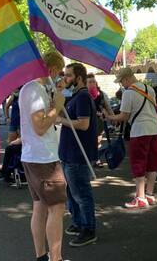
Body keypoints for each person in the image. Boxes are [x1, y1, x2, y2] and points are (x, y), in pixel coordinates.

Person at [19, 51, 67, 261]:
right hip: (43, 158)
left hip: (33, 156)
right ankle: (54, 258)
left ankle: (42, 256)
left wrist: (55, 97)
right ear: (52, 69)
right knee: (56, 209)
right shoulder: (35, 90)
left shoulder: (32, 88)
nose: (57, 76)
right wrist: (56, 107)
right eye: (58, 72)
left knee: (39, 207)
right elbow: (40, 126)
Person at [105, 67, 157, 209]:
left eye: (121, 81)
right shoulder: (150, 89)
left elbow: (124, 116)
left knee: (139, 163)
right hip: (154, 128)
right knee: (152, 163)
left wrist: (110, 117)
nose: (121, 85)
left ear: (127, 79)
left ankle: (140, 197)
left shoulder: (129, 93)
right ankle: (149, 194)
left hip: (139, 130)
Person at [58, 63, 98, 247]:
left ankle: (88, 229)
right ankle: (78, 222)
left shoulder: (82, 97)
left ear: (79, 78)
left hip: (78, 154)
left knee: (81, 193)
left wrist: (61, 120)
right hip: (69, 153)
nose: (65, 78)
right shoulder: (74, 95)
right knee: (72, 192)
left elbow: (84, 124)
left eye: (68, 76)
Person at [87, 73, 111, 139]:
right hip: (87, 121)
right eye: (89, 82)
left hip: (99, 121)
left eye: (93, 82)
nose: (92, 84)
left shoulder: (101, 94)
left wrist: (112, 118)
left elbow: (107, 106)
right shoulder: (84, 95)